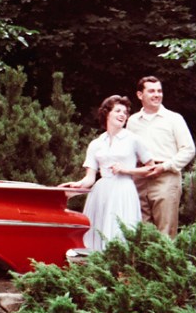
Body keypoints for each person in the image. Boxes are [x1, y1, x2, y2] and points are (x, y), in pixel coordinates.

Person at [61, 95, 152, 251]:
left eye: (125, 112)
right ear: (106, 114)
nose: (122, 114)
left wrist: (126, 170)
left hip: (124, 191)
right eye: (118, 110)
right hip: (101, 193)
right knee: (98, 232)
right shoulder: (96, 144)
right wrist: (74, 187)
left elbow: (151, 167)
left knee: (121, 232)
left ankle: (121, 272)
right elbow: (89, 178)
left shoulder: (133, 140)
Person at [126, 76, 196, 237]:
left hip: (166, 178)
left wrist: (164, 166)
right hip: (140, 178)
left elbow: (188, 149)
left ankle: (166, 263)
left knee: (165, 232)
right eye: (151, 91)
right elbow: (128, 151)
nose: (157, 94)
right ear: (139, 95)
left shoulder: (174, 119)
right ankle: (142, 263)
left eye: (159, 91)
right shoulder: (132, 122)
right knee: (140, 230)